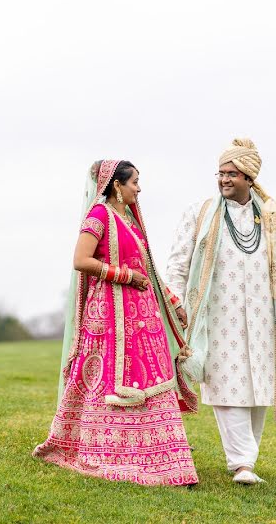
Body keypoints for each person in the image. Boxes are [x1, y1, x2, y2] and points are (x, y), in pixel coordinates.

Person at [33, 160, 199, 487]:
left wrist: (173, 301)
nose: (139, 188)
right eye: (134, 182)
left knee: (153, 379)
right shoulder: (98, 216)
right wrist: (122, 276)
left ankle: (165, 458)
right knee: (107, 380)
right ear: (116, 186)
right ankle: (107, 451)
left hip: (143, 319)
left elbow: (147, 269)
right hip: (109, 316)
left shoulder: (131, 221)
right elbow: (81, 260)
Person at [166, 138, 276, 486]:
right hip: (216, 317)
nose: (224, 180)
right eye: (220, 173)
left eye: (232, 174)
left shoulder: (274, 216)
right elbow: (177, 265)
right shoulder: (199, 213)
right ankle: (242, 464)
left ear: (249, 177)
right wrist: (176, 305)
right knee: (225, 384)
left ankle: (246, 459)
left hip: (265, 317)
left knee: (258, 388)